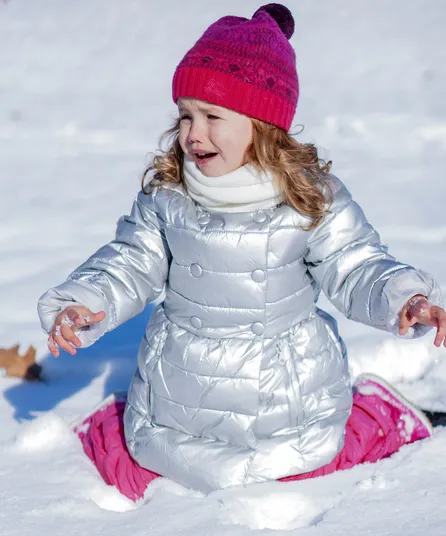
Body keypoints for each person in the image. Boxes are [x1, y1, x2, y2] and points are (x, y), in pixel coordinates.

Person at [38, 4, 446, 498]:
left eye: (212, 115)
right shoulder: (169, 195)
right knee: (145, 472)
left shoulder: (308, 198)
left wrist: (403, 299)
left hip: (286, 399)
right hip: (183, 390)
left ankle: (386, 408)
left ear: (262, 123)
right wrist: (87, 301)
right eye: (186, 115)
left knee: (306, 465)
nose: (193, 133)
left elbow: (355, 265)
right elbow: (130, 261)